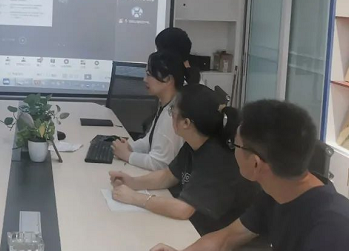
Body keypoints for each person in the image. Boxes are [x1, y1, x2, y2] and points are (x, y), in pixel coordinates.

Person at [147, 100, 349, 251]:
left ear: (255, 163)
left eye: (235, 145)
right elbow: (227, 238)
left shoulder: (333, 225)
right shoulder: (279, 191)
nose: (231, 151)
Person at [109, 84, 259, 234]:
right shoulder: (194, 142)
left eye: (172, 111)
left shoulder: (216, 157)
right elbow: (168, 175)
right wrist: (132, 182)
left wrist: (135, 198)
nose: (171, 116)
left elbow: (183, 210)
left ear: (186, 123)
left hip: (217, 233)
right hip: (197, 225)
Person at [112, 51, 194, 170]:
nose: (144, 79)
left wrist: (127, 155)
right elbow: (149, 141)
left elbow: (159, 163)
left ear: (168, 79)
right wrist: (130, 147)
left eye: (149, 74)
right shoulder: (166, 103)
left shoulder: (173, 113)